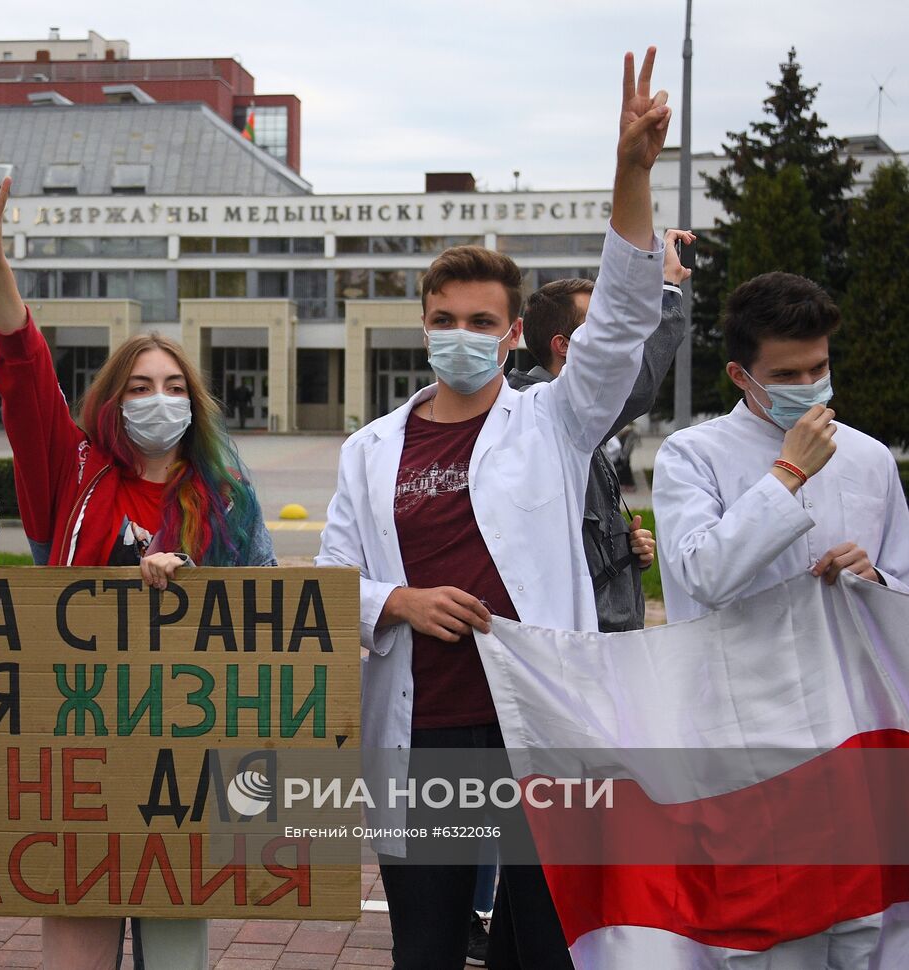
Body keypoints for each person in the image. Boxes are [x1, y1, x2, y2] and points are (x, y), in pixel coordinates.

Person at [316, 48, 670, 970]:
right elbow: (331, 579)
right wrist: (397, 603)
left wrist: (631, 173)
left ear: (516, 336)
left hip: (536, 726)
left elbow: (624, 319)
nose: (461, 337)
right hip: (428, 726)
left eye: (482, 322)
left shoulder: (554, 421)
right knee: (427, 946)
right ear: (422, 326)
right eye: (445, 319)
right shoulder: (370, 451)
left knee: (546, 945)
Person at [0, 166, 275, 969]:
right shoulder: (73, 473)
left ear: (194, 403)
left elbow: (270, 622)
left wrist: (191, 596)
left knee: (176, 959)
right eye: (139, 386)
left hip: (191, 769)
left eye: (172, 386)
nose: (157, 399)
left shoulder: (226, 500)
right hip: (78, 763)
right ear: (112, 399)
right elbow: (25, 374)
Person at [653, 271, 909, 622]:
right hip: (739, 672)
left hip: (847, 670)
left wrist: (877, 580)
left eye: (819, 368)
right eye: (786, 376)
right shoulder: (690, 454)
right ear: (739, 375)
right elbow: (704, 577)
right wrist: (789, 473)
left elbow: (902, 580)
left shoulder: (870, 455)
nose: (808, 386)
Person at [507, 227, 694, 631]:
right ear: (565, 346)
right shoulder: (542, 414)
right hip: (583, 642)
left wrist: (623, 545)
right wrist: (666, 288)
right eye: (598, 327)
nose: (611, 337)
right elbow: (640, 384)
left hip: (603, 636)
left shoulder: (571, 420)